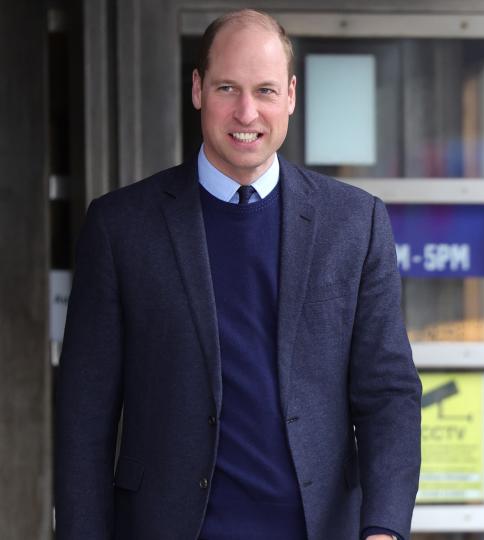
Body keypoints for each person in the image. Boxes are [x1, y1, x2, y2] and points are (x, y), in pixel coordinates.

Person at [55, 9, 420, 540]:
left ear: (291, 95)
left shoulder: (356, 222)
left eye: (265, 90)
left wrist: (384, 528)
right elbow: (85, 414)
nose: (246, 111)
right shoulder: (120, 227)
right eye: (228, 87)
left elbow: (388, 393)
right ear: (198, 88)